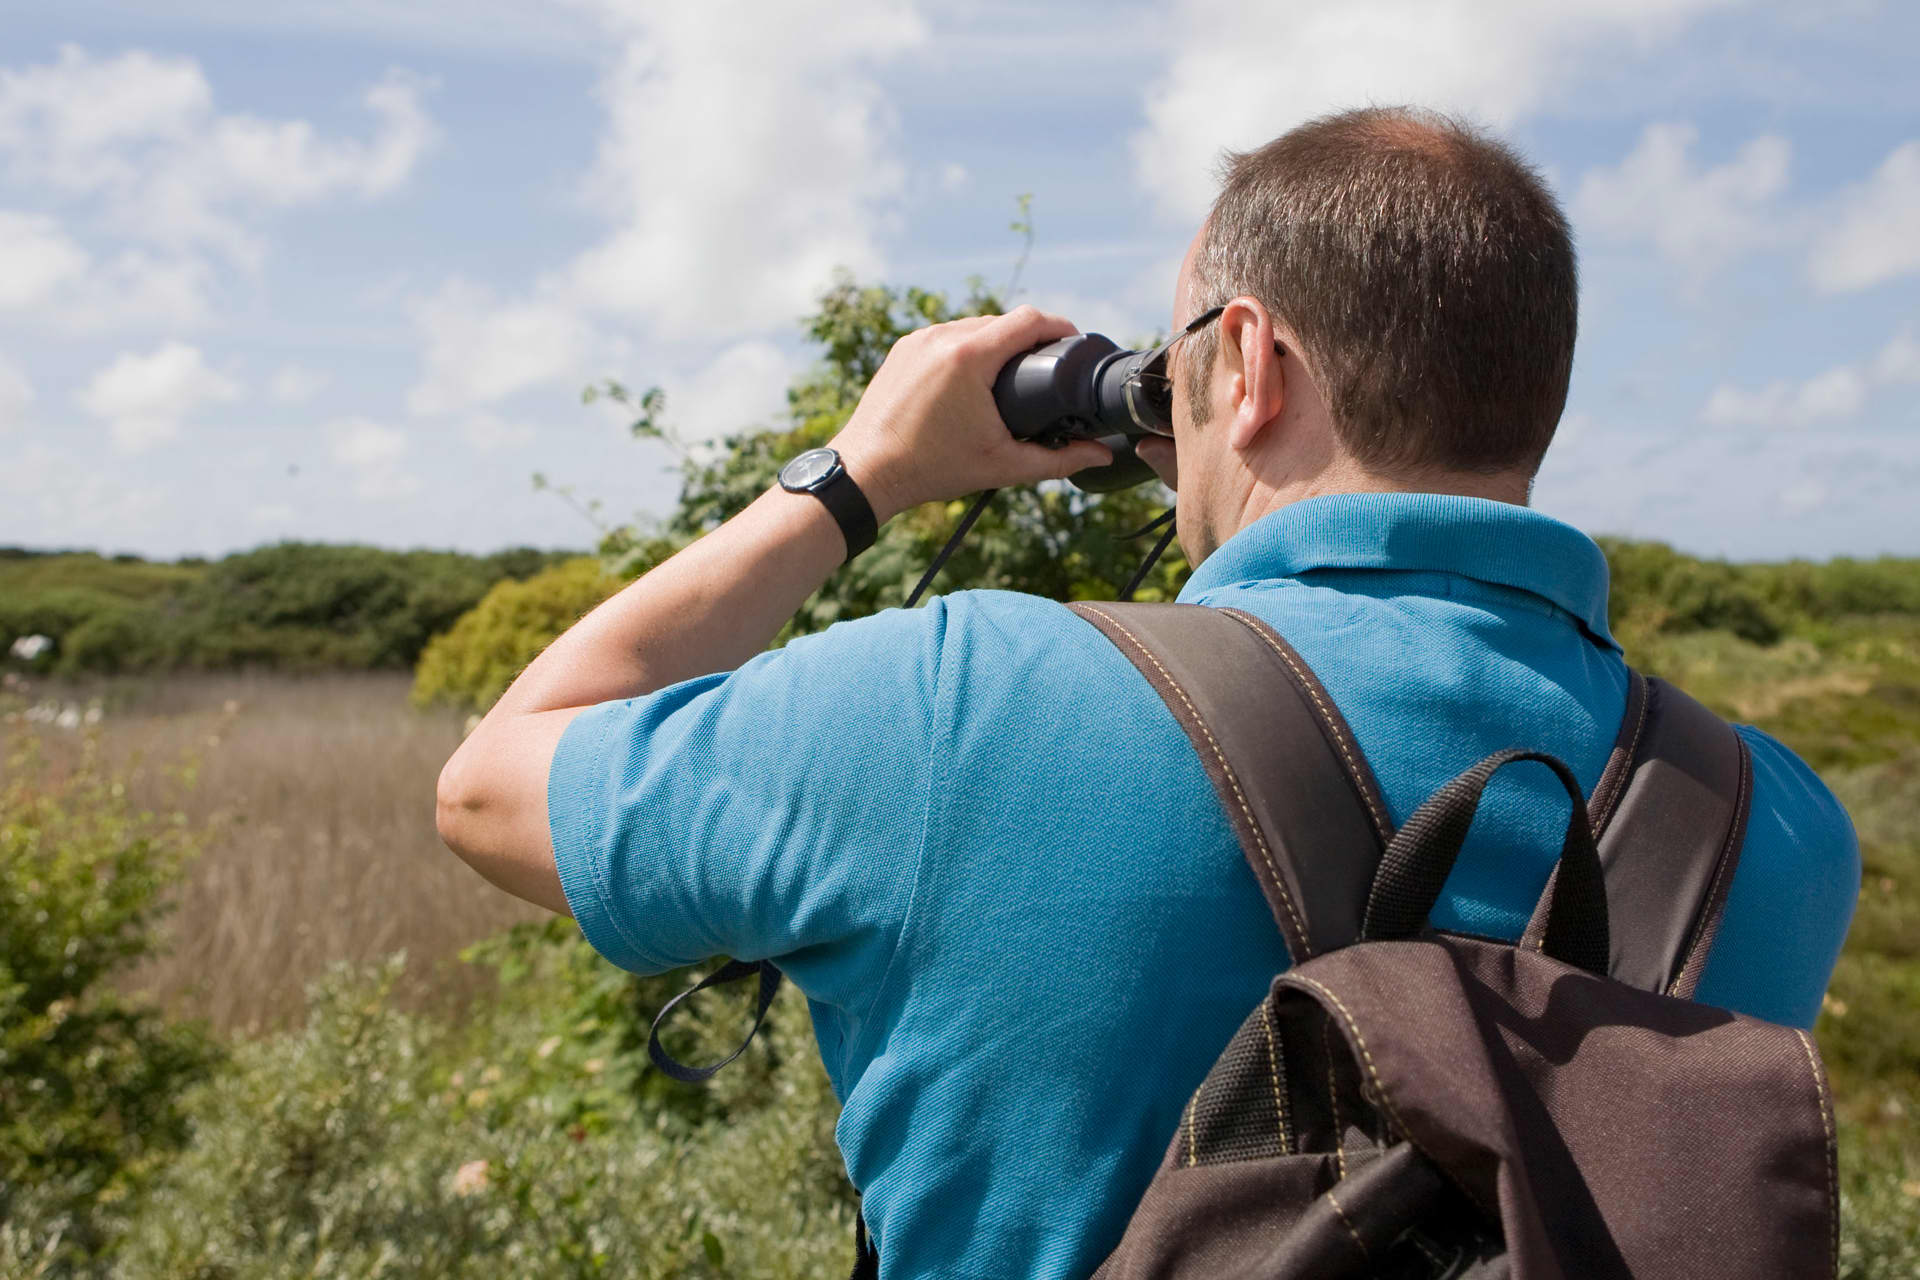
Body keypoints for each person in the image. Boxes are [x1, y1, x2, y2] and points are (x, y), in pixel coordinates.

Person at [435, 106, 1858, 1278]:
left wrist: (860, 476)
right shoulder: (1770, 828)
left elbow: (494, 782)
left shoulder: (958, 705)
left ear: (1243, 365)